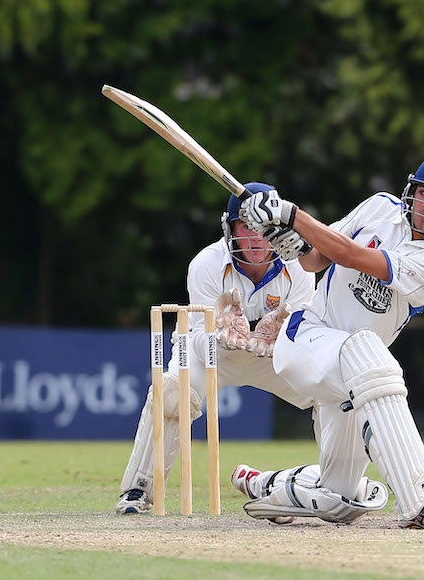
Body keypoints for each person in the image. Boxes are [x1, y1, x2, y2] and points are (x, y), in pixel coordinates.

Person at [232, 155, 424, 529]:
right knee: (368, 351)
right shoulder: (380, 206)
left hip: (356, 380)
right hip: (306, 339)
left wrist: (291, 216)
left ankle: (264, 482)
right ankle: (423, 499)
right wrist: (291, 243)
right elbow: (317, 260)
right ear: (412, 189)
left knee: (338, 500)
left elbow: (352, 256)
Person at [116, 182, 316, 514]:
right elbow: (194, 335)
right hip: (212, 356)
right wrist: (219, 334)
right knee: (171, 392)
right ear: (230, 229)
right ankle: (139, 489)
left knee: (331, 392)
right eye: (245, 227)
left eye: (262, 228)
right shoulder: (207, 264)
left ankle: (339, 488)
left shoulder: (298, 268)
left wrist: (282, 335)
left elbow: (305, 335)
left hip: (271, 357)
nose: (254, 237)